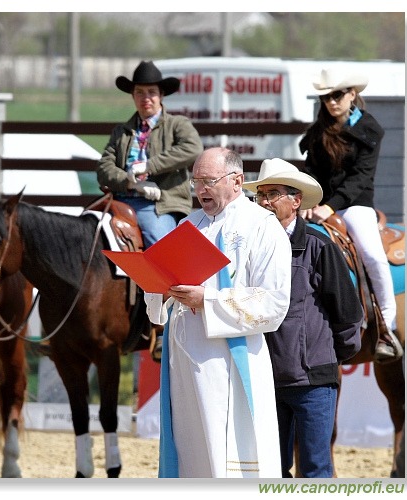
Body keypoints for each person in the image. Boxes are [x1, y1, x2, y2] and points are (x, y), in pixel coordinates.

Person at [144, 147, 291, 478]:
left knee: (227, 457)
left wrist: (207, 300)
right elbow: (159, 293)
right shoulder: (187, 225)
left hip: (229, 361)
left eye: (209, 181)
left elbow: (275, 303)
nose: (200, 190)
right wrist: (154, 286)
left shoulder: (262, 226)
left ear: (237, 181)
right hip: (183, 359)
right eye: (196, 181)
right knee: (190, 451)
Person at [243, 158, 362, 478]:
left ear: (296, 201)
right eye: (261, 195)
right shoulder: (248, 247)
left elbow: (348, 312)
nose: (265, 202)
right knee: (269, 472)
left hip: (314, 381)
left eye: (273, 194)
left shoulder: (319, 246)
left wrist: (328, 358)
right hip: (264, 379)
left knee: (314, 471)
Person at [96, 59, 203, 360]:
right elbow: (104, 167)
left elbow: (192, 149)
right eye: (140, 92)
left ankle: (163, 326)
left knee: (163, 246)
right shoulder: (122, 131)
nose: (146, 98)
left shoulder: (178, 125)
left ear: (161, 96)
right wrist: (130, 180)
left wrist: (150, 167)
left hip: (161, 203)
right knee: (84, 234)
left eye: (152, 92)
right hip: (122, 200)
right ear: (133, 96)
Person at [298, 69, 402, 364]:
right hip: (320, 204)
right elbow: (312, 172)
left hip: (355, 205)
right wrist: (308, 199)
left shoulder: (370, 128)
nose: (331, 102)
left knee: (371, 254)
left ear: (352, 94)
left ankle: (386, 328)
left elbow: (361, 177)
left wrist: (331, 206)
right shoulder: (318, 131)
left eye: (337, 95)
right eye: (326, 97)